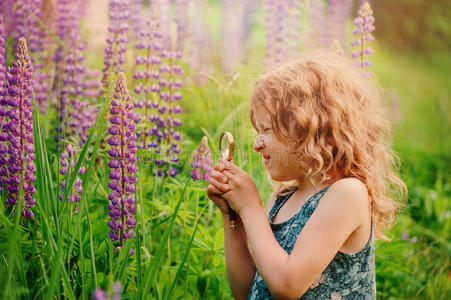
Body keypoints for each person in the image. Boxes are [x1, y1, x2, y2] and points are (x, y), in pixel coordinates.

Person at [207, 50, 406, 300]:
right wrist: (232, 215)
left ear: (310, 129)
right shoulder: (282, 201)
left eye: (267, 129)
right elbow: (248, 291)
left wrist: (250, 207)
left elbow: (287, 286)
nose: (257, 144)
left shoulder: (347, 194)